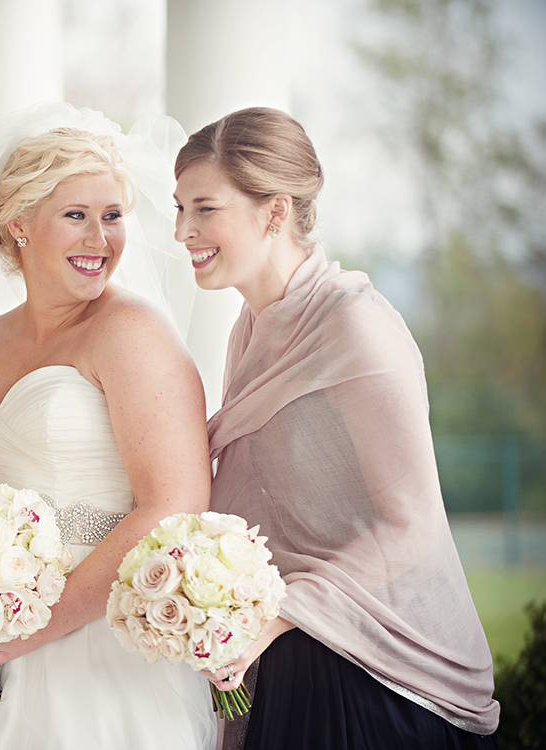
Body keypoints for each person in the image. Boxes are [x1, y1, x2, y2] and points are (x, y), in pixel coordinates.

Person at [0, 106, 218, 750]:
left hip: (94, 642)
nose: (101, 239)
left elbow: (175, 504)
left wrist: (30, 628)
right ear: (18, 224)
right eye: (76, 216)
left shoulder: (131, 333)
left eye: (112, 217)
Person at [174, 107, 499, 749]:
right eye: (179, 209)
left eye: (204, 209)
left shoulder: (355, 326)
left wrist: (274, 615)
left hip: (375, 674)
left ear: (275, 210)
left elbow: (410, 523)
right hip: (294, 651)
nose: (183, 230)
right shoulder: (253, 327)